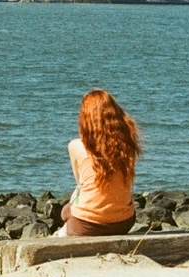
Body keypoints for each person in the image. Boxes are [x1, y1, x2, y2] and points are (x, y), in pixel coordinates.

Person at [58, 88, 142, 237]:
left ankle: (62, 231)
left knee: (66, 211)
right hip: (124, 222)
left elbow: (80, 184)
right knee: (70, 209)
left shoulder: (76, 146)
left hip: (86, 224)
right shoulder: (127, 145)